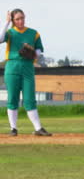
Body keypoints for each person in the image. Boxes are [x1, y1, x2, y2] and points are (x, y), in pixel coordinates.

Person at [3, 8, 52, 136]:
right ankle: (13, 129)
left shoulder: (33, 33)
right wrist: (7, 22)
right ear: (13, 20)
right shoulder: (10, 33)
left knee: (30, 98)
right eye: (17, 19)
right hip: (12, 66)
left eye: (22, 18)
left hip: (27, 67)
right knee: (12, 98)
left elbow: (39, 49)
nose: (21, 21)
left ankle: (38, 128)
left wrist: (35, 54)